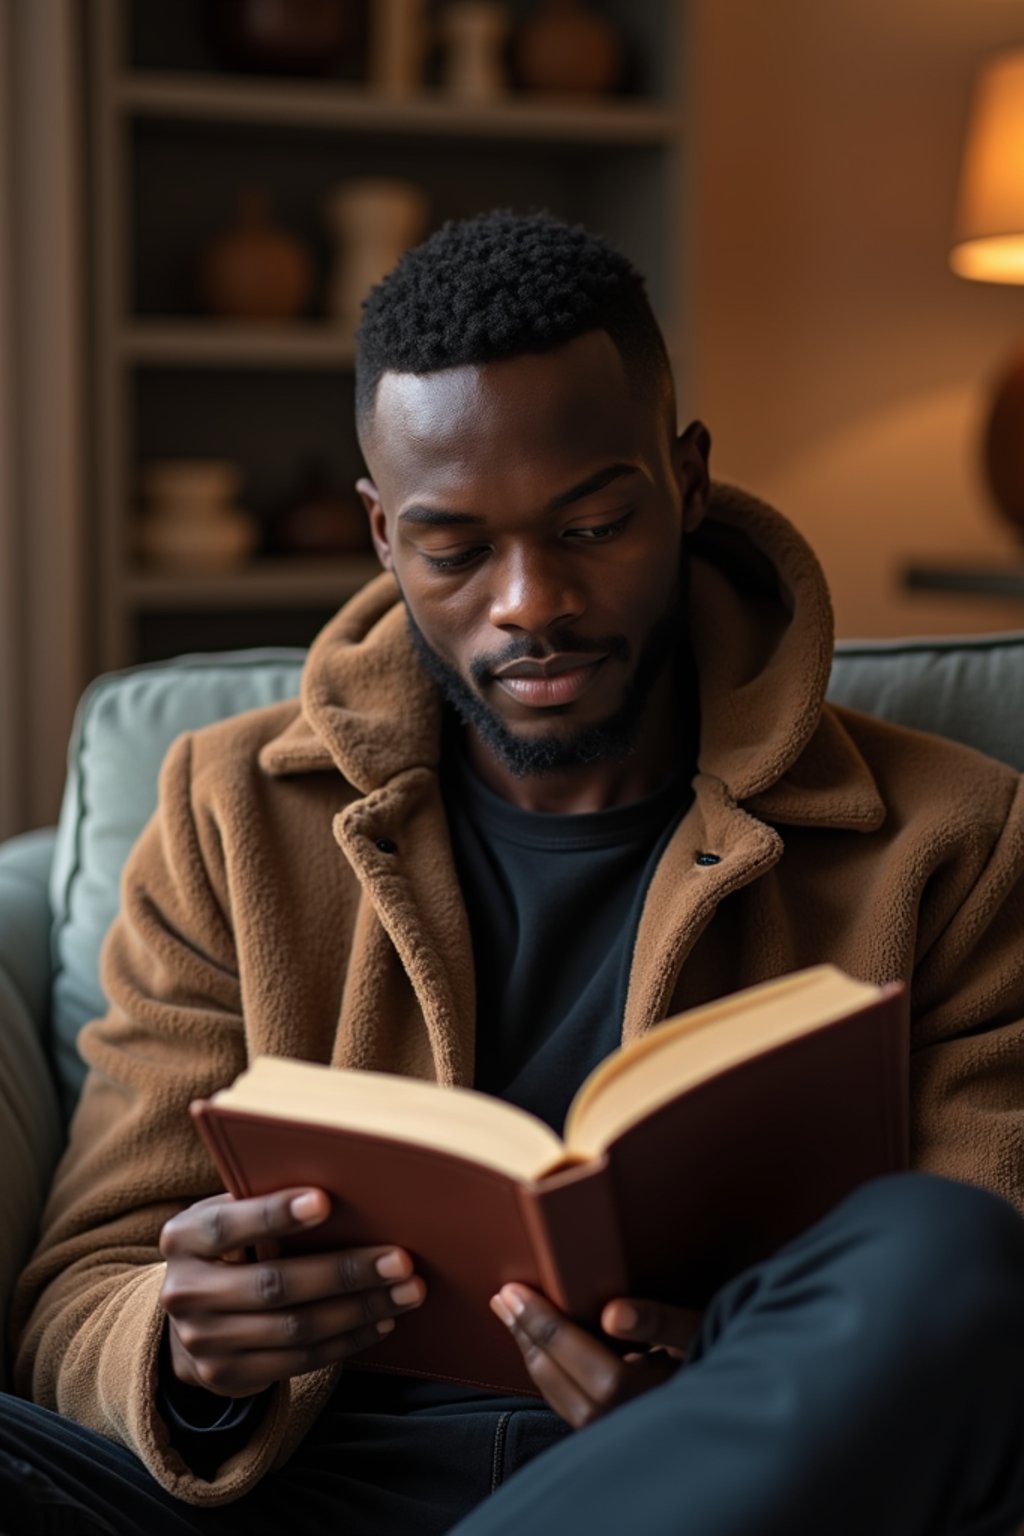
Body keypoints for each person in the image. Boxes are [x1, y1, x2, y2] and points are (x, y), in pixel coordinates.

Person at [4, 211, 1024, 1536]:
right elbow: (84, 1284)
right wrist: (189, 1348)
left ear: (688, 481)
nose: (530, 601)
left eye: (592, 524)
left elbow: (974, 1283)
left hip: (721, 1477)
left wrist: (721, 1374)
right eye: (455, 546)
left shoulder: (949, 834)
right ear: (381, 535)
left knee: (949, 1256)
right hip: (298, 1489)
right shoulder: (229, 814)